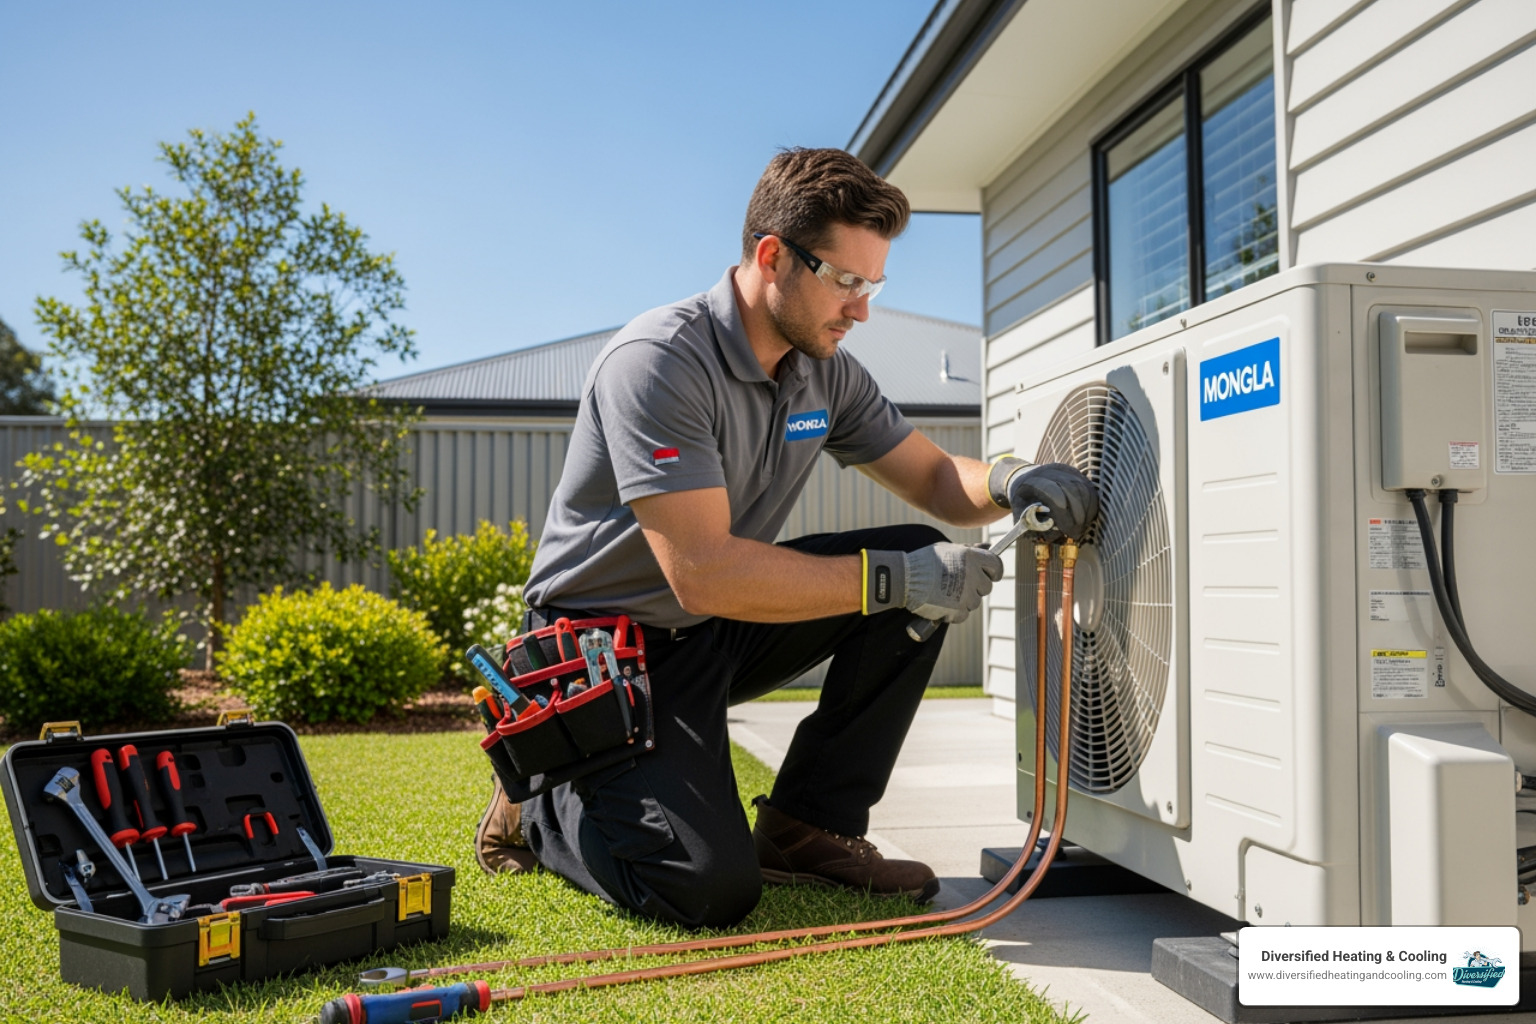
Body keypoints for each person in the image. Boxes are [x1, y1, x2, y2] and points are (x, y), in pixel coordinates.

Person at [475, 148, 1097, 928]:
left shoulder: (824, 370)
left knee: (910, 542)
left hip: (709, 629)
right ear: (773, 256)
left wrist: (1010, 479)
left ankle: (808, 827)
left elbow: (937, 480)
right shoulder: (660, 362)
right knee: (704, 890)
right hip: (603, 648)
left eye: (872, 285)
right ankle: (543, 797)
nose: (862, 309)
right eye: (846, 281)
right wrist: (898, 577)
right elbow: (702, 571)